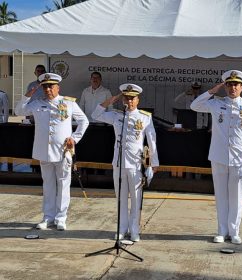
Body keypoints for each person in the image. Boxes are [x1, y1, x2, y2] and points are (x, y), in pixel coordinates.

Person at [190, 70, 242, 244]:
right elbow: (194, 106)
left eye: (236, 85)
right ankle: (221, 231)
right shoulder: (216, 104)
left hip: (239, 157)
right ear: (225, 86)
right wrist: (212, 91)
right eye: (229, 84)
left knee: (236, 196)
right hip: (219, 156)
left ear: (241, 87)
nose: (232, 88)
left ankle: (234, 231)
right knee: (221, 196)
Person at [15, 73, 89, 231]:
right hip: (44, 151)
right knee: (48, 185)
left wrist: (74, 138)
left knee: (63, 184)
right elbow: (18, 111)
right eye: (45, 86)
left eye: (51, 86)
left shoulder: (68, 103)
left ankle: (61, 218)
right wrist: (28, 95)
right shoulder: (37, 104)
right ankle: (48, 217)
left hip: (62, 151)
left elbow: (84, 120)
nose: (48, 89)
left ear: (57, 87)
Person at [91, 83, 159, 242]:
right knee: (121, 198)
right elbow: (95, 114)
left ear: (138, 100)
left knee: (136, 199)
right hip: (119, 162)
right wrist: (112, 99)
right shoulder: (116, 115)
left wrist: (153, 163)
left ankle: (134, 230)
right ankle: (121, 229)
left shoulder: (145, 117)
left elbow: (152, 140)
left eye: (132, 99)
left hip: (136, 164)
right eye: (126, 98)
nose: (129, 102)